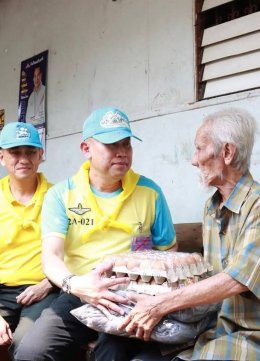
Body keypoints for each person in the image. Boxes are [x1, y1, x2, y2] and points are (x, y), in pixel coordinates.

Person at [15, 107, 176, 361]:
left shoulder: (150, 192)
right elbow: (52, 257)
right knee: (30, 352)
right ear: (86, 149)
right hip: (79, 292)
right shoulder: (62, 194)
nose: (122, 152)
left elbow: (169, 254)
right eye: (112, 145)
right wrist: (76, 284)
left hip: (132, 299)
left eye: (126, 144)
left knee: (111, 352)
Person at [113, 108, 260, 361]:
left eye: (199, 149)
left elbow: (237, 279)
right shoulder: (212, 208)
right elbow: (209, 275)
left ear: (227, 152)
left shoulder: (257, 206)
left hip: (250, 332)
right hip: (210, 328)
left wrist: (162, 304)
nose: (193, 160)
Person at [0, 122, 58, 359]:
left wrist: (48, 284)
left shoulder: (60, 197)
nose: (23, 158)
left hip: (45, 289)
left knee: (26, 344)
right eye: (15, 152)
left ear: (41, 156)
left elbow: (76, 252)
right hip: (2, 290)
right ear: (2, 157)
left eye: (30, 152)